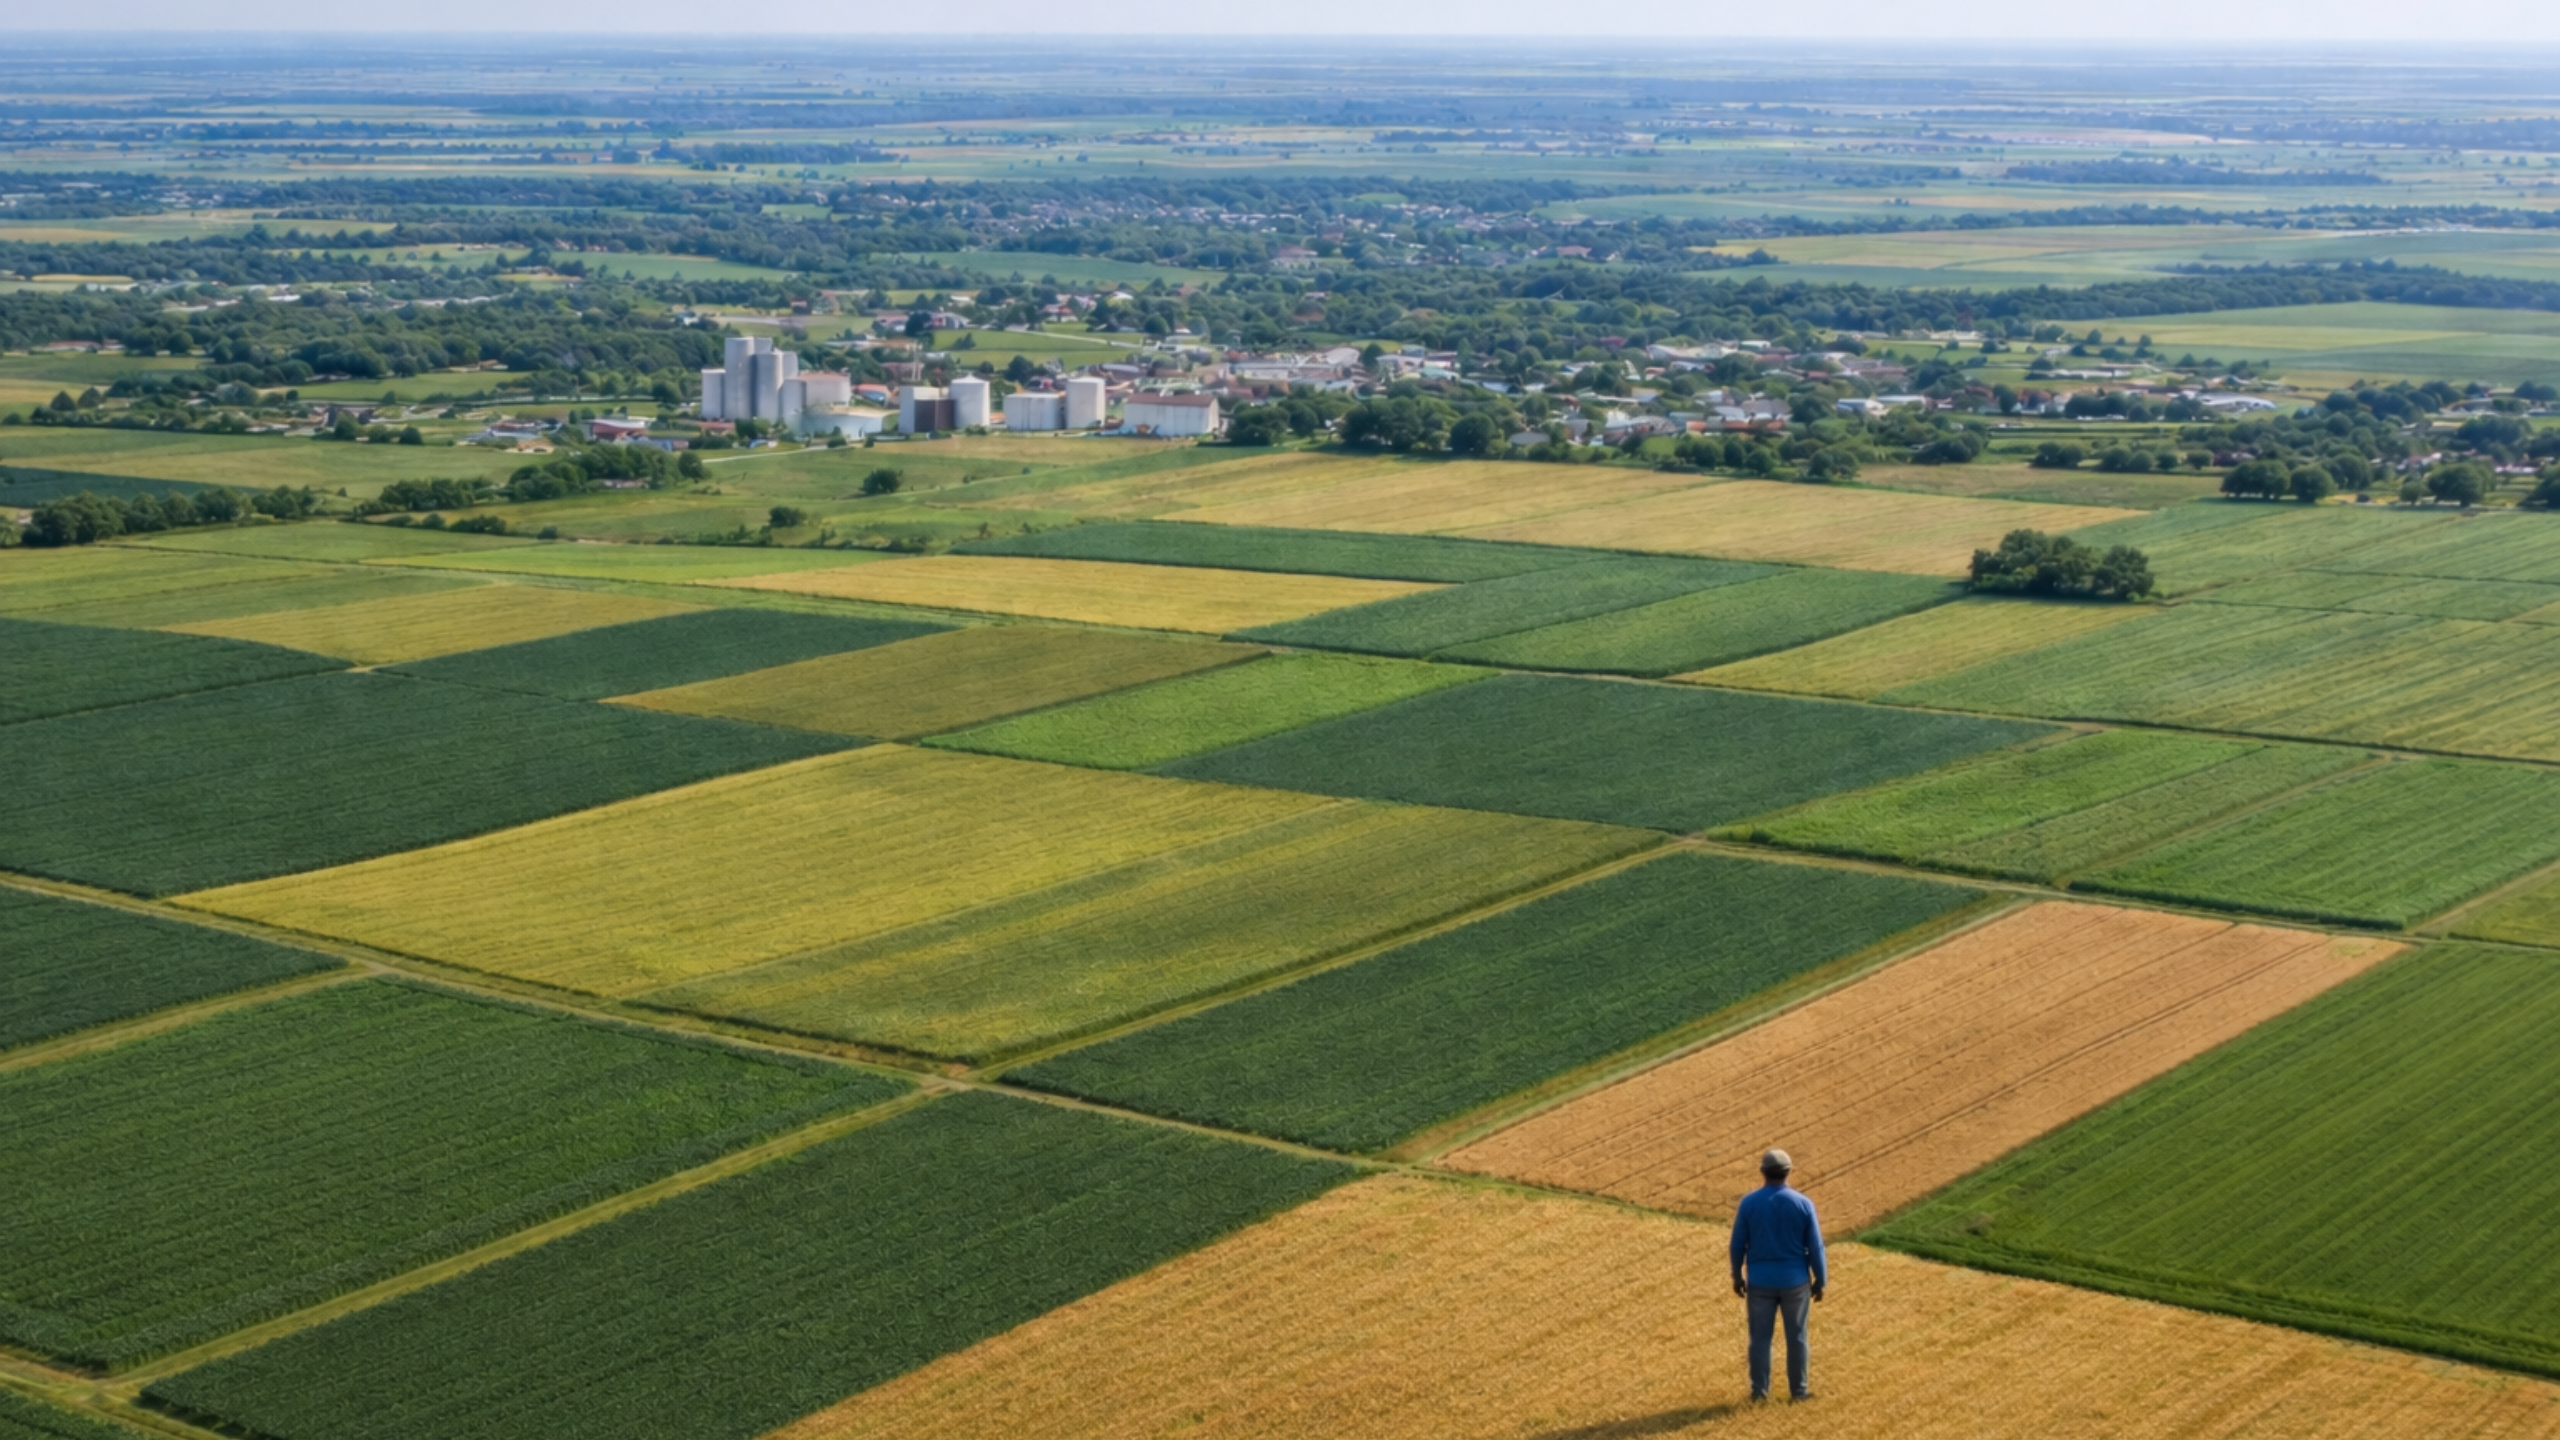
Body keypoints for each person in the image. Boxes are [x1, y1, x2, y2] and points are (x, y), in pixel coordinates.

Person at [1729, 1147, 1826, 1402]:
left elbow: (1738, 1244)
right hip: (1796, 1281)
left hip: (1760, 1281)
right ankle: (1799, 1392)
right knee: (1797, 1337)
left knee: (1759, 1338)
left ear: (1763, 1172)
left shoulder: (1749, 1203)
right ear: (1788, 1172)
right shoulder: (1803, 1204)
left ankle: (1759, 1393)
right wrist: (1820, 1280)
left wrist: (1736, 1276)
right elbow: (1815, 1246)